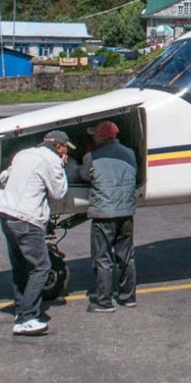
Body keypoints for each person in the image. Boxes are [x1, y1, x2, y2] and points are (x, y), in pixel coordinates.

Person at [0, 130, 74, 336]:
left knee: (20, 266)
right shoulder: (52, 160)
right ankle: (27, 318)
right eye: (66, 148)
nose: (67, 152)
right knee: (42, 267)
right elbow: (59, 192)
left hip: (6, 213)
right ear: (58, 146)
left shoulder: (24, 154)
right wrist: (62, 167)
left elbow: (4, 177)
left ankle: (21, 311)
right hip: (27, 219)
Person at [80, 120, 139, 312]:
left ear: (102, 136)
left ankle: (104, 301)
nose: (94, 137)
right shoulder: (129, 153)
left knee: (103, 258)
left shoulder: (92, 156)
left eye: (96, 134)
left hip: (104, 213)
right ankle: (128, 297)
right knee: (126, 257)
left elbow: (84, 176)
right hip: (126, 212)